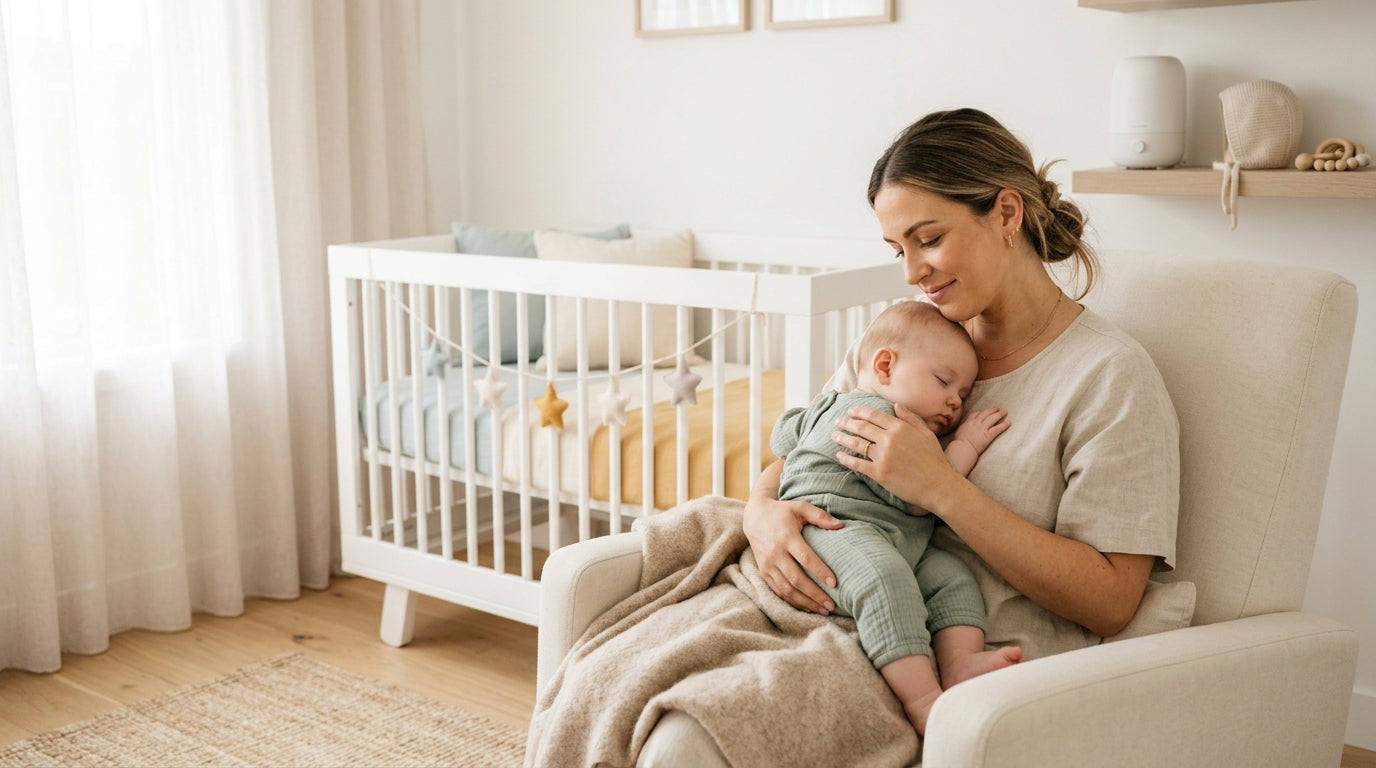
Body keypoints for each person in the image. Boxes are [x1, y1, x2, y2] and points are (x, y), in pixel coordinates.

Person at [746, 107, 1180, 671]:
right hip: (824, 613)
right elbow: (813, 447)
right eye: (898, 249)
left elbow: (1112, 601)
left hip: (958, 660)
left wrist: (942, 489)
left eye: (928, 239)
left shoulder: (1108, 377)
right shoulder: (905, 342)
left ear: (1006, 212)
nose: (911, 272)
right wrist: (759, 513)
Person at [769, 299, 1022, 734]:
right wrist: (968, 443)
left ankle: (959, 661)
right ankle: (922, 698)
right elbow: (921, 496)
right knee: (884, 578)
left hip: (896, 538)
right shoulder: (877, 416)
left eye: (962, 394)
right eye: (943, 381)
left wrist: (803, 424)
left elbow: (783, 435)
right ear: (885, 366)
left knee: (952, 576)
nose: (953, 401)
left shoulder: (841, 402)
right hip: (832, 528)